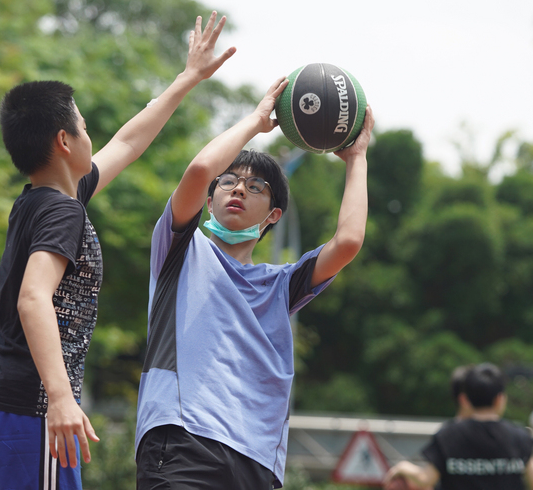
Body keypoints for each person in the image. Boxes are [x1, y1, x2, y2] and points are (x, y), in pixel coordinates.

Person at [0, 12, 236, 490]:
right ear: (64, 142)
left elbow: (127, 141)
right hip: (31, 415)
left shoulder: (43, 200)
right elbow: (32, 298)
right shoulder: (63, 212)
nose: (92, 137)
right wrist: (60, 399)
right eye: (83, 127)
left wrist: (188, 78)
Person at [134, 70, 374, 489]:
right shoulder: (180, 251)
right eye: (229, 182)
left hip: (258, 460)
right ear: (210, 201)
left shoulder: (281, 286)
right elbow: (199, 169)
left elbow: (349, 241)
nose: (239, 189)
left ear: (273, 216)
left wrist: (357, 159)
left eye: (256, 186)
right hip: (183, 439)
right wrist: (257, 121)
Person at [384, 363, 533, 490]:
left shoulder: (448, 436)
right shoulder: (520, 437)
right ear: (499, 399)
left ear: (467, 399)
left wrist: (403, 468)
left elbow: (425, 479)